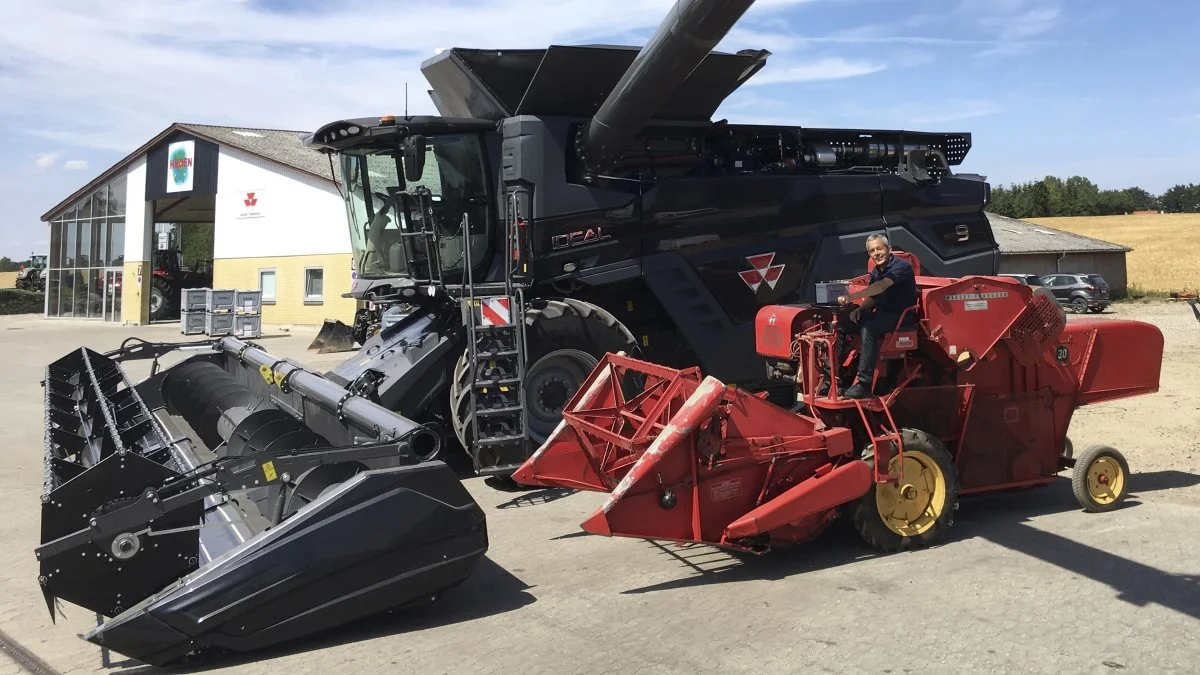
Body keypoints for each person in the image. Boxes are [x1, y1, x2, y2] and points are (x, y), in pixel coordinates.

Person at [826, 234, 918, 399]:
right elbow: (874, 297)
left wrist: (851, 298)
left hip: (900, 317)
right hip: (882, 314)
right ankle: (831, 377)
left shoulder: (902, 267)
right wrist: (860, 309)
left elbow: (882, 286)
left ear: (889, 249)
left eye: (879, 248)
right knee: (842, 325)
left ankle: (864, 384)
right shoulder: (877, 271)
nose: (876, 253)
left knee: (869, 328)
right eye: (872, 251)